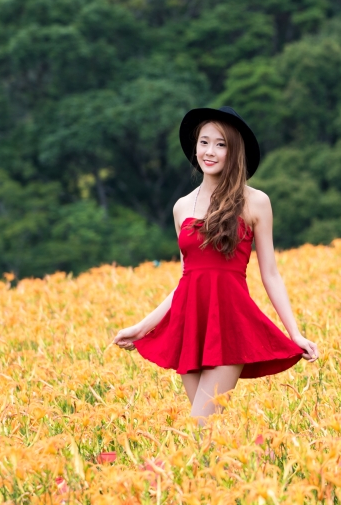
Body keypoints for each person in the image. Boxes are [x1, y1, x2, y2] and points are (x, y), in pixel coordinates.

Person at [112, 106, 318, 424]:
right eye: (204, 142)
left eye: (220, 144)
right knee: (207, 437)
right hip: (189, 324)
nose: (210, 151)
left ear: (234, 151)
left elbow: (271, 274)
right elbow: (186, 279)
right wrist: (142, 327)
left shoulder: (256, 202)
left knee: (198, 427)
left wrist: (295, 333)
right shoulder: (182, 207)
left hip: (230, 323)